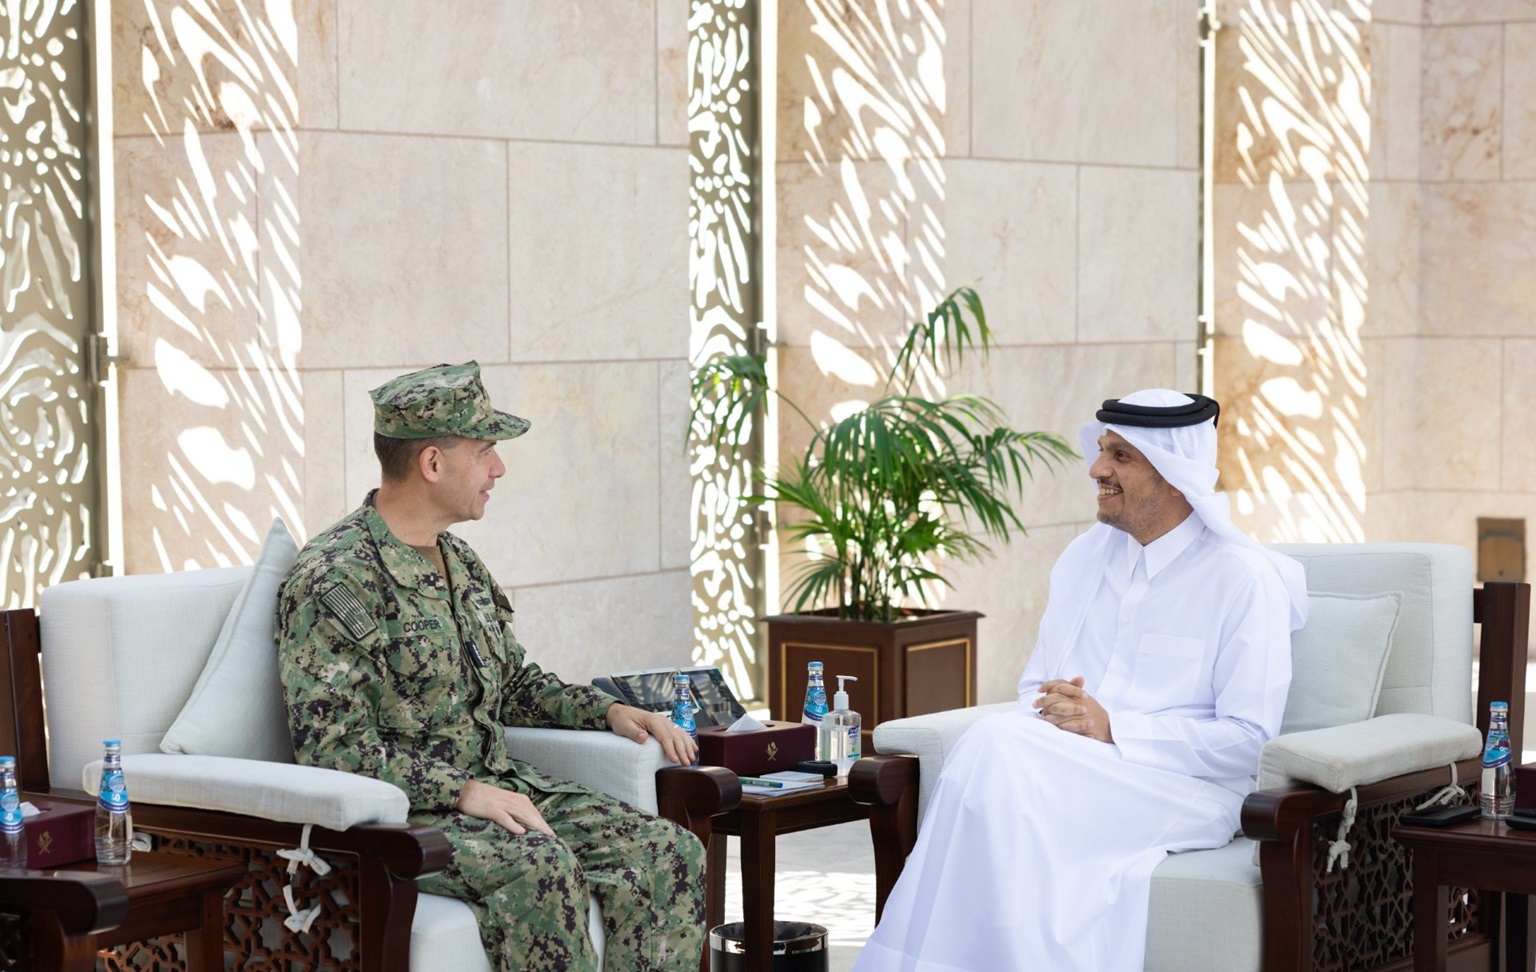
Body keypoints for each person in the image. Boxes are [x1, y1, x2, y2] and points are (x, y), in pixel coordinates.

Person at [853, 388, 1308, 972]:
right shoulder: (1082, 559)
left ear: (1174, 475)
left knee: (997, 747)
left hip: (1186, 784)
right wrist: (1065, 718)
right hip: (1071, 764)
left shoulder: (1242, 580)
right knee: (997, 745)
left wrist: (1113, 726)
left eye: (1121, 456)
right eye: (1101, 452)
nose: (1097, 470)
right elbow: (1034, 689)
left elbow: (1249, 738)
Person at [276, 361, 707, 972]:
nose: (498, 469)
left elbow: (513, 684)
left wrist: (608, 711)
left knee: (666, 851)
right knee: (541, 867)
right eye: (485, 452)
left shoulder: (460, 560)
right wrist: (464, 791)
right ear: (432, 463)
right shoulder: (335, 577)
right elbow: (333, 748)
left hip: (497, 789)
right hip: (407, 816)